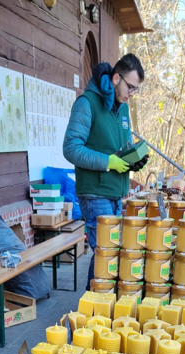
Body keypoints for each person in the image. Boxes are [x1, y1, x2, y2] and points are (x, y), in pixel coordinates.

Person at [63, 54, 148, 287]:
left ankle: (97, 304)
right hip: (95, 193)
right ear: (116, 78)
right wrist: (108, 162)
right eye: (130, 87)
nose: (132, 93)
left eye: (136, 89)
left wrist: (133, 160)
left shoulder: (123, 109)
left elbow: (122, 147)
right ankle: (91, 306)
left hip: (116, 192)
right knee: (106, 253)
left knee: (110, 255)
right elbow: (71, 148)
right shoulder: (87, 103)